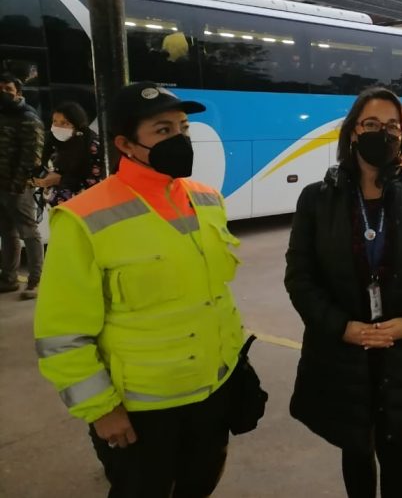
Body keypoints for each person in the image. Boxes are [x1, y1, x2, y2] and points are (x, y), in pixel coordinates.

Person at [34, 82, 246, 497]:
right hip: (141, 409)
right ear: (125, 144)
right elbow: (62, 334)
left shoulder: (208, 199)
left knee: (199, 484)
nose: (180, 139)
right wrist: (101, 409)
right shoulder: (82, 217)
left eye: (183, 129)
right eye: (163, 131)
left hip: (214, 390)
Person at [284, 86, 402, 498]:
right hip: (343, 354)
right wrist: (341, 327)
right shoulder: (316, 199)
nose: (382, 133)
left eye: (392, 126)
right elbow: (300, 278)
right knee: (357, 454)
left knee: (398, 457)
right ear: (352, 133)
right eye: (371, 124)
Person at [0, 72, 44, 299]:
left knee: (28, 232)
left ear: (18, 92)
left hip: (17, 187)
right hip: (1, 186)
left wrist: (16, 185)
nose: (3, 93)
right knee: (7, 233)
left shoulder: (27, 117)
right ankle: (8, 278)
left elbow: (32, 157)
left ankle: (35, 281)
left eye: (8, 89)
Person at [34, 101, 104, 208]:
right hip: (58, 206)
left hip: (83, 207)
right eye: (55, 121)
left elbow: (95, 180)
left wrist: (60, 180)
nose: (57, 126)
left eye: (64, 123)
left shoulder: (91, 145)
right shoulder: (54, 142)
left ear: (77, 125)